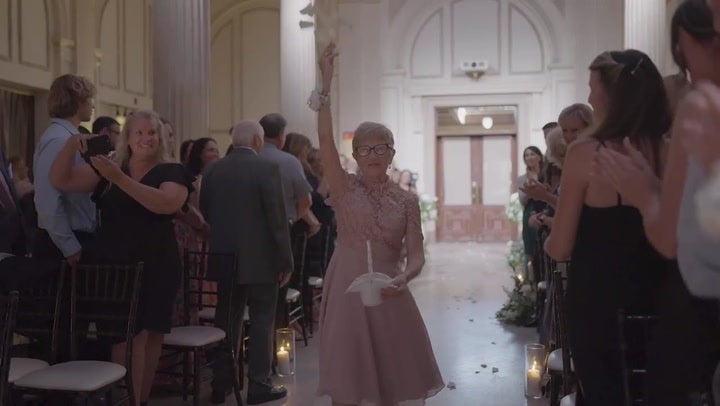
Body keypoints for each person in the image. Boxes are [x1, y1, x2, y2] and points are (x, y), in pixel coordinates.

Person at [594, 1, 720, 403]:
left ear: (684, 44)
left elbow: (671, 240)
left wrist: (644, 191)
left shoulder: (700, 109)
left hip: (701, 305)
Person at [312, 43, 443, 406]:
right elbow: (324, 139)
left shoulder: (406, 200)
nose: (373, 155)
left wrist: (406, 276)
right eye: (365, 149)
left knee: (391, 372)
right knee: (348, 367)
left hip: (390, 288)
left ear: (392, 153)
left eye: (380, 147)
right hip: (346, 285)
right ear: (354, 156)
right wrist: (326, 84)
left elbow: (416, 255)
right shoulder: (343, 187)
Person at [545, 49, 671, 405]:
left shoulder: (586, 153)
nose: (588, 97)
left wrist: (549, 242)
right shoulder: (669, 150)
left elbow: (562, 247)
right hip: (660, 296)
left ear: (613, 96)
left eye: (592, 88)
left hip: (600, 301)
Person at [50, 109, 193, 406]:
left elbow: (165, 204)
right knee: (123, 337)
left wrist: (119, 178)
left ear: (161, 137)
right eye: (138, 132)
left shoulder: (171, 170)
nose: (146, 138)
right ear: (127, 137)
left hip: (156, 261)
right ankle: (124, 400)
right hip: (115, 264)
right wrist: (69, 145)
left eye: (151, 132)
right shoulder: (110, 169)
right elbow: (61, 180)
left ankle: (137, 401)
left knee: (150, 335)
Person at [200, 120, 293, 405]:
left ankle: (222, 383)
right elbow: (277, 220)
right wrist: (285, 260)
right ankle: (259, 385)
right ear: (256, 140)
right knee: (263, 321)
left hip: (224, 257)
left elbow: (205, 209)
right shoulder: (267, 169)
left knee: (226, 319)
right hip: (262, 259)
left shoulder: (213, 169)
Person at [33, 74, 97, 264]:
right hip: (62, 243)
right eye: (89, 99)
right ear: (77, 102)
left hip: (70, 237)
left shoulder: (66, 136)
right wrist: (69, 246)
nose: (92, 105)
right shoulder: (59, 139)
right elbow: (47, 198)